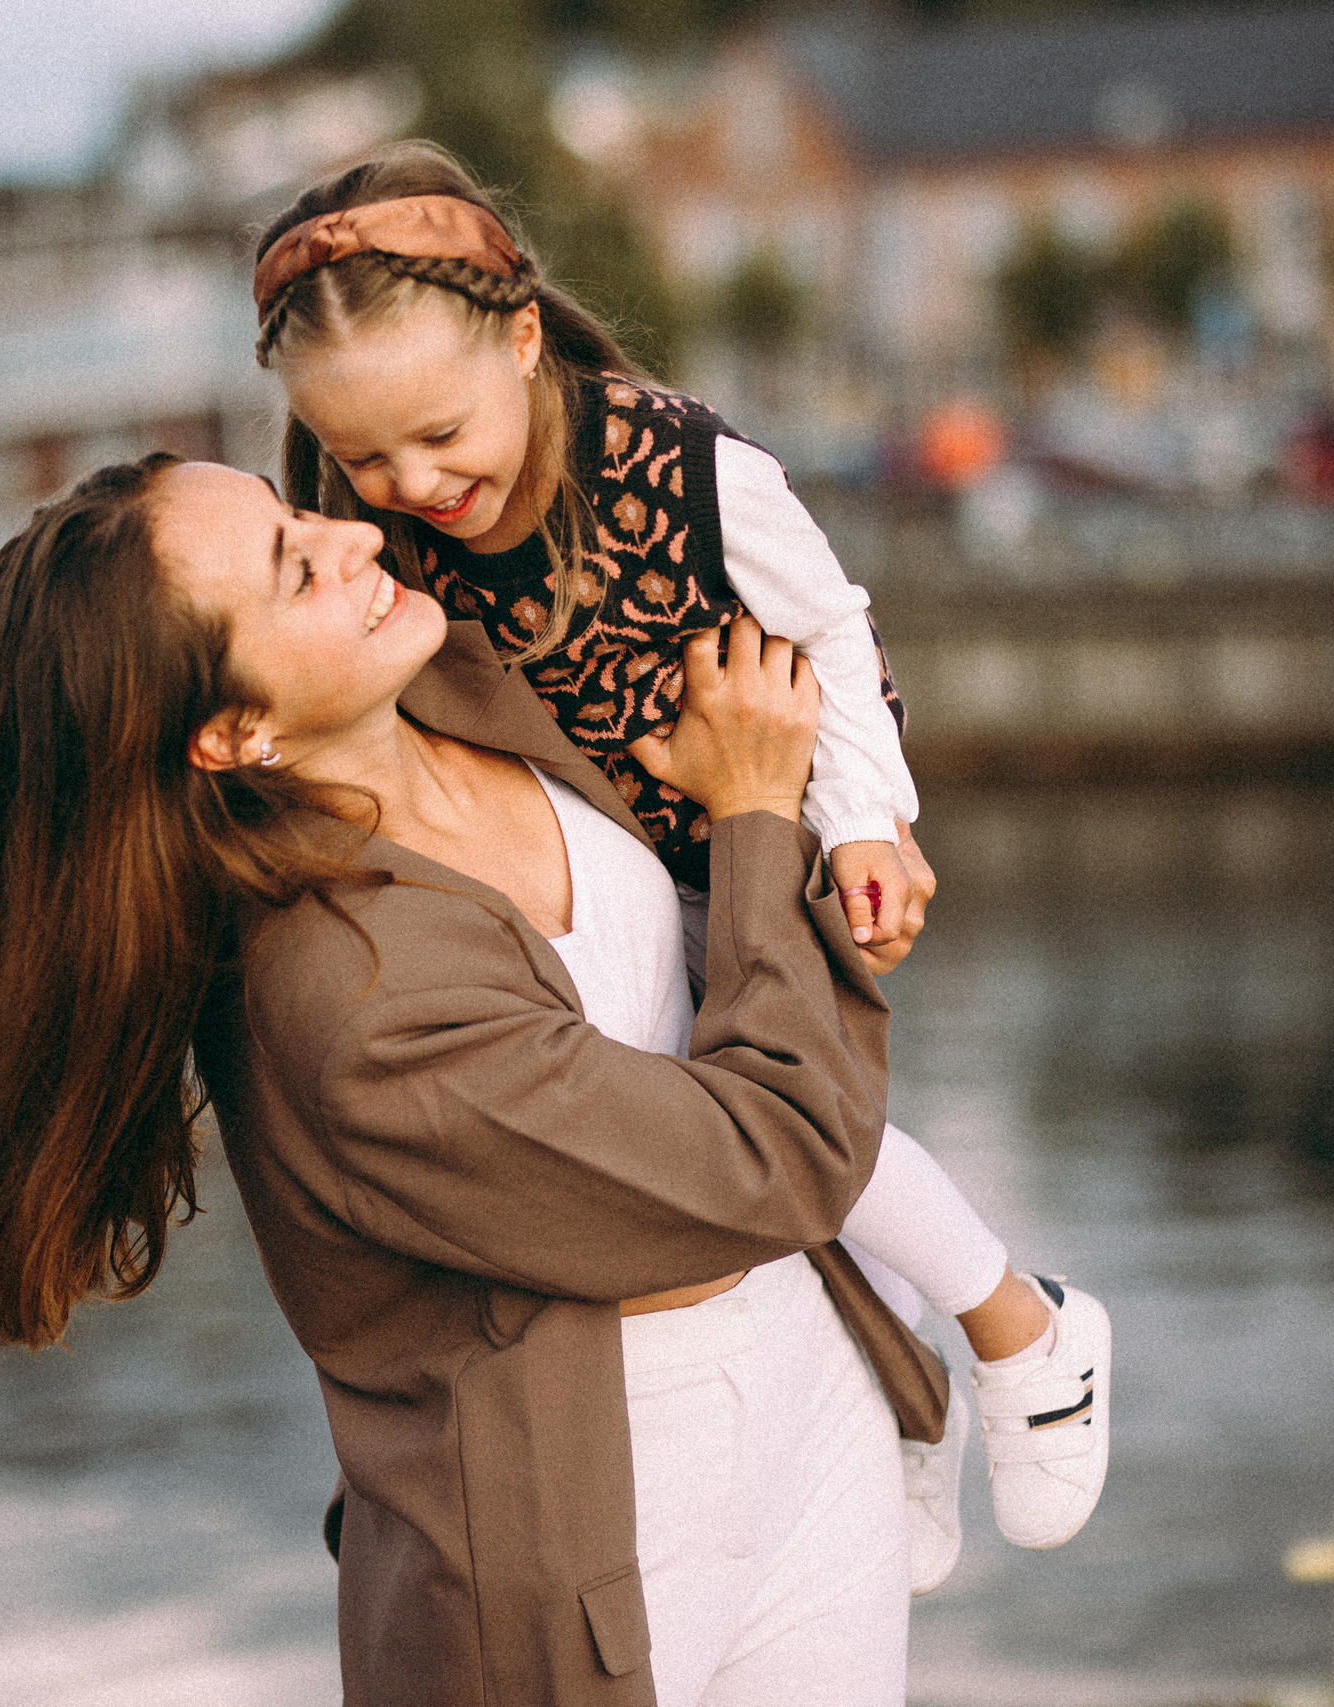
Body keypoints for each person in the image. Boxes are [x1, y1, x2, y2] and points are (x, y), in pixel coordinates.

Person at [0, 451, 943, 1705]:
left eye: (299, 514)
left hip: (808, 1423)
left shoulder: (476, 680)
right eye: (296, 569)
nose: (352, 540)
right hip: (589, 1556)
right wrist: (762, 817)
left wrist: (853, 819)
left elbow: (460, 378)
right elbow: (771, 1164)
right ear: (235, 731)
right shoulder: (351, 1001)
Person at [248, 141, 1109, 1580]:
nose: (412, 482)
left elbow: (832, 632)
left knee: (772, 1140)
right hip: (599, 863)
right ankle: (910, 1400)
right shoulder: (364, 513)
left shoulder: (682, 462)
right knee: (712, 1154)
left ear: (524, 341)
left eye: (441, 434)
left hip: (757, 836)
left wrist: (870, 822)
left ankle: (1023, 1326)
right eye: (364, 454)